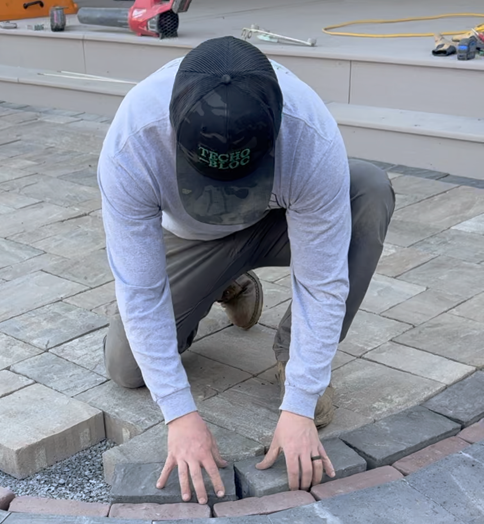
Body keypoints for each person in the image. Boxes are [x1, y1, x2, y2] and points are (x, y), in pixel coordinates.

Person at [97, 36, 395, 504]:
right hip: (191, 240)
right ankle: (224, 279)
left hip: (274, 223)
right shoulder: (134, 143)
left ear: (275, 134)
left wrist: (299, 401)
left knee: (369, 190)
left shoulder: (308, 134)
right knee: (127, 368)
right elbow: (140, 289)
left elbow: (322, 282)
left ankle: (291, 352)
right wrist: (179, 416)